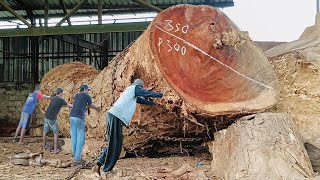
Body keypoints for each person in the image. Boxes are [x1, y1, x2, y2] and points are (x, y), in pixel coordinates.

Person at [92, 79, 163, 177]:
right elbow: (146, 93)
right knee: (115, 145)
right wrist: (161, 95)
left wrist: (153, 104)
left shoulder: (131, 94)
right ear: (139, 86)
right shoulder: (134, 88)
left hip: (114, 116)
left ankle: (98, 165)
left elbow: (141, 100)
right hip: (116, 116)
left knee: (115, 144)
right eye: (141, 88)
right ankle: (106, 170)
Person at [70, 84, 101, 165]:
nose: (88, 91)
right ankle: (77, 159)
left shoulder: (76, 95)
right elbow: (90, 105)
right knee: (81, 138)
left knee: (74, 136)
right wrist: (97, 108)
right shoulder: (86, 96)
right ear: (84, 89)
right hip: (79, 117)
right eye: (88, 90)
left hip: (72, 116)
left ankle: (74, 154)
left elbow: (80, 104)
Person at [43, 88, 73, 154]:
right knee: (56, 133)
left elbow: (47, 97)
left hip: (46, 117)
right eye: (62, 93)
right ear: (61, 93)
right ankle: (55, 150)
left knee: (45, 131)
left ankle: (43, 146)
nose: (63, 94)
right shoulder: (61, 100)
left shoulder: (53, 98)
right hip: (52, 118)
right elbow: (68, 105)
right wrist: (75, 106)